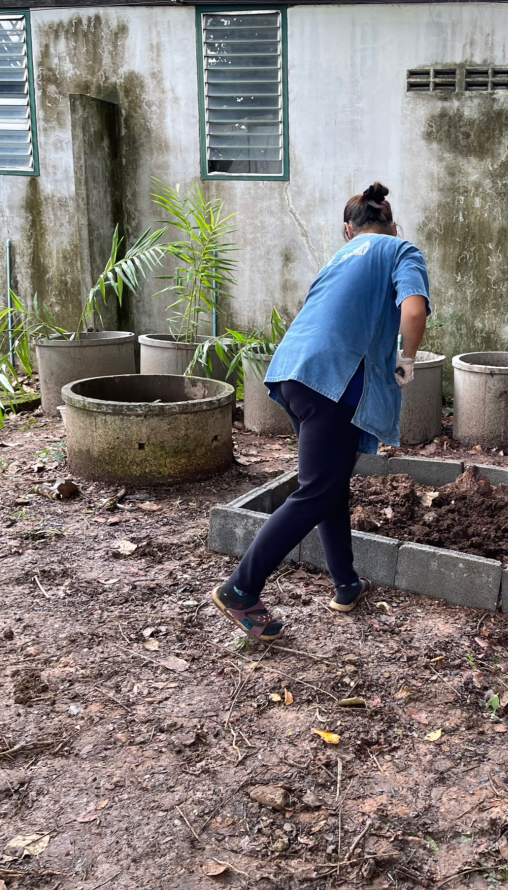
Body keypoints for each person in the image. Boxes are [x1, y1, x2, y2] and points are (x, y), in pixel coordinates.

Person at [211, 182, 430, 641]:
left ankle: (346, 584)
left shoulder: (339, 258)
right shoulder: (400, 249)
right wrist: (406, 359)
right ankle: (240, 589)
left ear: (348, 230)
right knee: (317, 490)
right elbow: (413, 310)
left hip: (293, 373)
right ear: (393, 224)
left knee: (330, 484)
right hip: (334, 380)